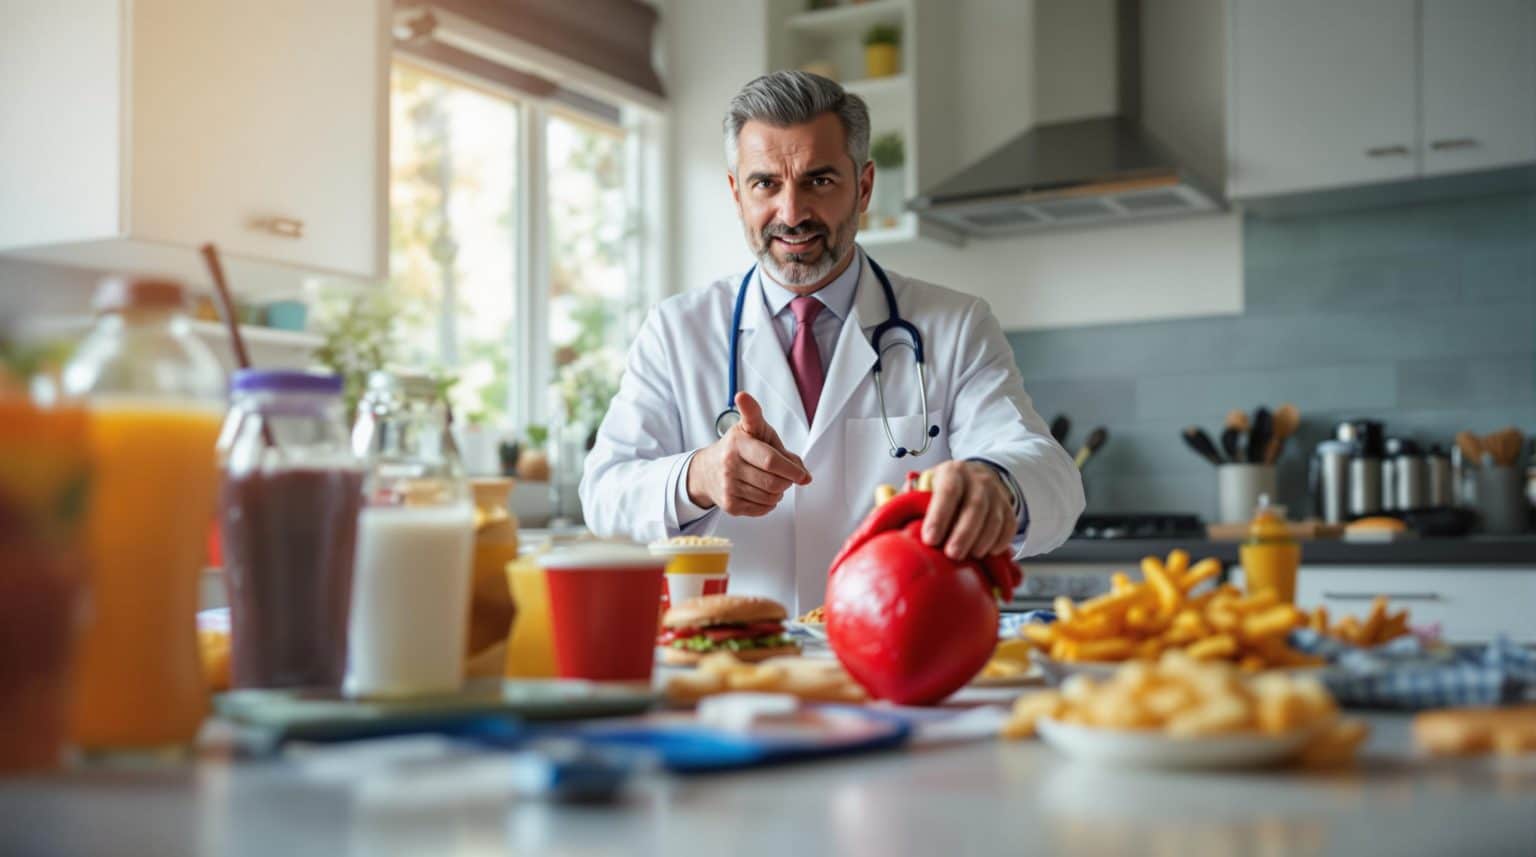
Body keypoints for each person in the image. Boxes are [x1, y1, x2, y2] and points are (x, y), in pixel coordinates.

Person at [581, 71, 1083, 613]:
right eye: (766, 184)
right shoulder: (676, 331)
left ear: (864, 186)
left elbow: (1052, 477)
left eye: (819, 181)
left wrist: (996, 483)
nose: (792, 213)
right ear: (736, 193)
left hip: (904, 655)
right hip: (737, 664)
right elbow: (605, 493)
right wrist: (697, 475)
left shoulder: (954, 324)